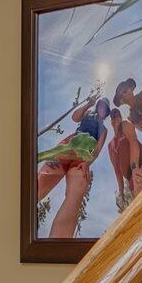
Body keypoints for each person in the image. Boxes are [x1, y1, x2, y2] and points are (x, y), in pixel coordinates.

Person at [35, 88, 113, 239]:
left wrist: (88, 163)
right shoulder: (86, 114)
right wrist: (87, 104)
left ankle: (58, 240)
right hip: (69, 144)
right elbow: (74, 118)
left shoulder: (103, 129)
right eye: (101, 105)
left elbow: (97, 149)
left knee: (76, 192)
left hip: (83, 156)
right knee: (43, 179)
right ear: (98, 106)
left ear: (107, 112)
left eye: (105, 108)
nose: (102, 109)